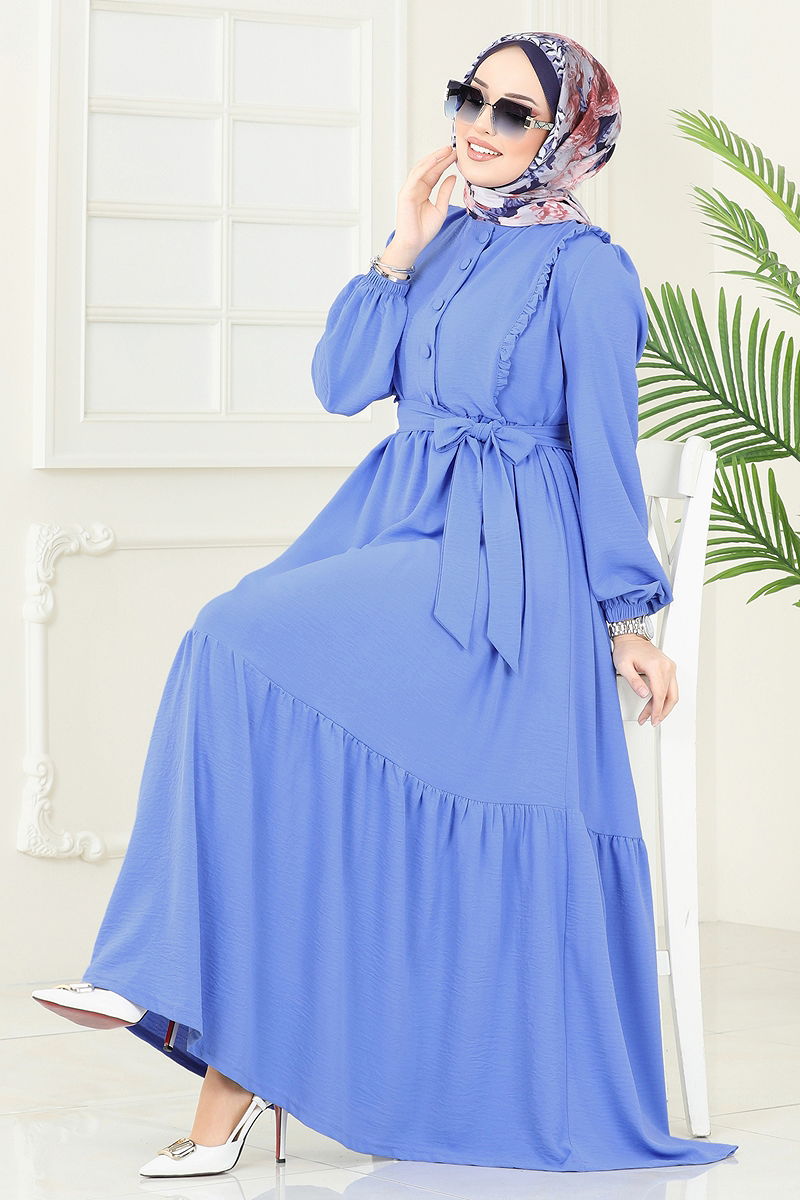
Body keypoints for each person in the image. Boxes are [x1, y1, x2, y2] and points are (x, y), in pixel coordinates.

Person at [32, 30, 739, 1176]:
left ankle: (204, 1034)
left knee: (235, 640)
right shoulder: (446, 240)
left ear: (564, 136)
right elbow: (341, 383)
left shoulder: (588, 270)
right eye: (469, 97)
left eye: (512, 112)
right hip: (400, 525)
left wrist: (625, 621)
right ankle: (209, 1035)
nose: (478, 125)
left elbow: (606, 452)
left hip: (505, 578)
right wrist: (401, 243)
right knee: (239, 663)